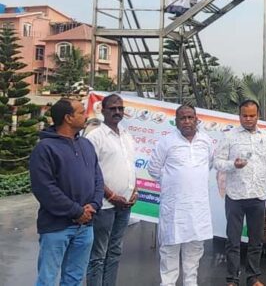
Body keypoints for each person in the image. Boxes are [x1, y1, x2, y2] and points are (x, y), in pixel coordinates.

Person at [30, 98, 104, 286]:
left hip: (85, 226)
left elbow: (97, 178)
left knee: (74, 279)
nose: (86, 116)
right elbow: (45, 189)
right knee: (47, 279)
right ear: (68, 118)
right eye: (81, 112)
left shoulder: (86, 145)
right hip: (56, 227)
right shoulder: (45, 148)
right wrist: (76, 211)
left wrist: (94, 205)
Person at [214, 99, 266, 286]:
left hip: (258, 195)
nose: (249, 119)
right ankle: (232, 279)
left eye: (252, 115)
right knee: (233, 241)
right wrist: (232, 165)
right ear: (239, 115)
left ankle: (253, 278)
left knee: (256, 241)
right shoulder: (229, 136)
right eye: (245, 115)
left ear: (258, 115)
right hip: (235, 196)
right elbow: (217, 162)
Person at [148, 105, 214, 286]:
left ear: (196, 119)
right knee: (169, 250)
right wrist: (172, 182)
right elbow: (153, 169)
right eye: (182, 118)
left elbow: (208, 164)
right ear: (176, 122)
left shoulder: (206, 141)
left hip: (197, 207)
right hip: (174, 208)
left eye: (190, 117)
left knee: (194, 252)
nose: (187, 121)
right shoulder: (166, 142)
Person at [85, 94, 138, 286]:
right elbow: (90, 172)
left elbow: (130, 166)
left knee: (115, 251)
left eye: (120, 108)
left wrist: (135, 190)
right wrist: (112, 195)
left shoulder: (127, 136)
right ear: (102, 110)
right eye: (113, 108)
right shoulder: (95, 137)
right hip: (104, 205)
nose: (117, 112)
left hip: (125, 205)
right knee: (98, 255)